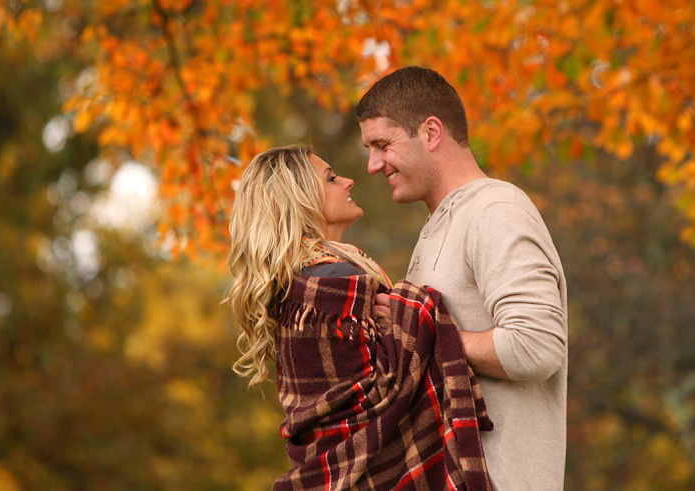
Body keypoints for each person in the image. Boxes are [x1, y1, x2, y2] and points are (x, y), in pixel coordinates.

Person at [227, 145, 495, 490]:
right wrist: (417, 313)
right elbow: (380, 397)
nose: (349, 181)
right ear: (299, 198)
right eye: (331, 178)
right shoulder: (332, 282)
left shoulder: (297, 283)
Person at [356, 66, 568, 491]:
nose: (372, 165)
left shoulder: (495, 211)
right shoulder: (443, 223)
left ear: (431, 132)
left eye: (382, 144)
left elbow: (537, 346)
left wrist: (422, 334)